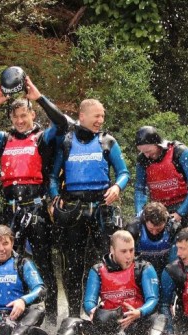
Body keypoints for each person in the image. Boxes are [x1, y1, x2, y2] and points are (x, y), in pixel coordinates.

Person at [0, 75, 69, 324]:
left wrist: (38, 97)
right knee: (5, 264)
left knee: (44, 265)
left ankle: (50, 318)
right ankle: (8, 314)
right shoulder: (4, 140)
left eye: (23, 116)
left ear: (32, 116)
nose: (19, 120)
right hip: (11, 213)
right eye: (15, 117)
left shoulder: (42, 139)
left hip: (36, 211)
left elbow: (61, 124)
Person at [49, 98, 130, 317]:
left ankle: (108, 311)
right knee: (72, 266)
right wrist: (55, 196)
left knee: (106, 262)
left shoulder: (108, 142)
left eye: (102, 116)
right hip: (74, 211)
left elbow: (124, 173)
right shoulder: (66, 142)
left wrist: (117, 187)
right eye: (97, 116)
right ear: (82, 116)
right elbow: (53, 177)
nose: (100, 120)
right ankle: (74, 315)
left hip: (101, 210)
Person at [56, 230, 166, 335]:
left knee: (159, 320)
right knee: (70, 322)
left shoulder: (144, 268)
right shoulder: (97, 270)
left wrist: (139, 312)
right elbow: (89, 301)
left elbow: (153, 299)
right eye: (123, 251)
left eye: (131, 250)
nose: (129, 255)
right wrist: (92, 310)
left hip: (136, 324)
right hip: (107, 325)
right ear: (112, 250)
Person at [134, 126, 188, 227]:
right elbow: (140, 189)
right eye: (143, 152)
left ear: (157, 144)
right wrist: (140, 213)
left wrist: (180, 213)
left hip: (186, 206)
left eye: (148, 151)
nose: (146, 156)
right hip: (159, 210)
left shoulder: (180, 152)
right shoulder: (143, 160)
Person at [127, 202, 179, 276]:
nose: (154, 233)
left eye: (159, 229)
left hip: (166, 270)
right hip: (141, 270)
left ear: (165, 222)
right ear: (145, 221)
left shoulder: (173, 228)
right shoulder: (134, 228)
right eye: (151, 229)